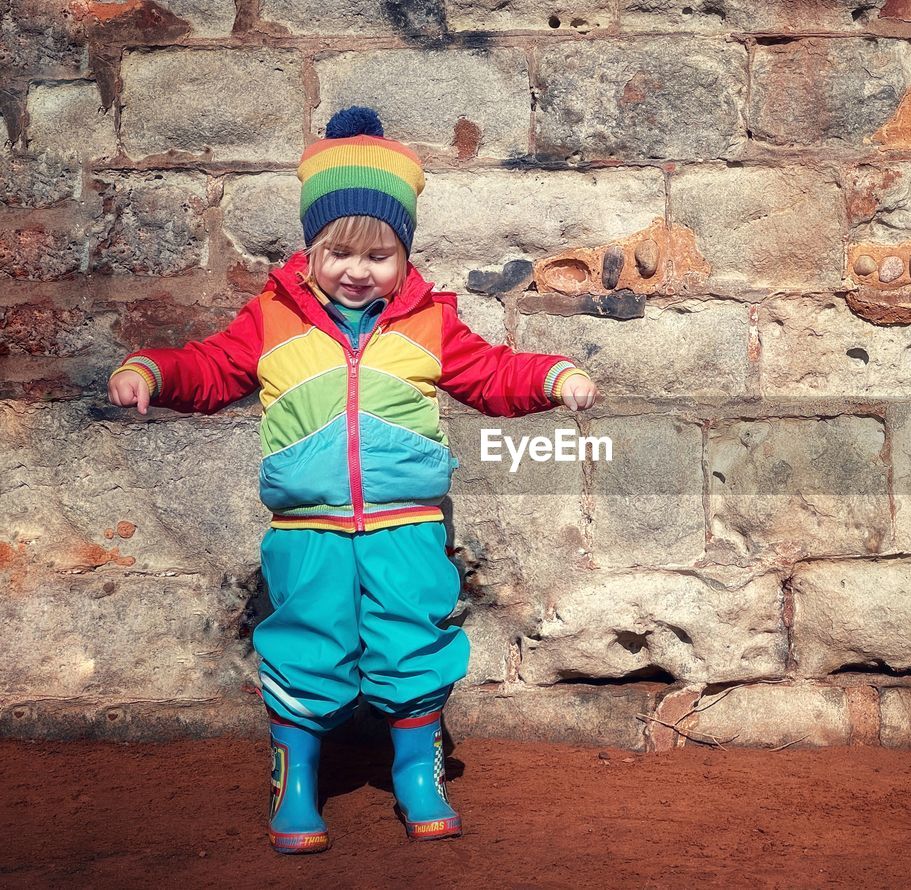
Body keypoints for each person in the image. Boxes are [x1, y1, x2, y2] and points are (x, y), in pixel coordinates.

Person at [106, 106, 598, 853]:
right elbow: (208, 368)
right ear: (311, 250)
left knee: (411, 642)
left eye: (379, 254)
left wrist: (554, 375)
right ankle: (296, 779)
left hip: (407, 529)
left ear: (404, 256)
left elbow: (492, 375)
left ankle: (416, 772)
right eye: (340, 252)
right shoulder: (272, 318)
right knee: (308, 642)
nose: (358, 270)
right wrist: (150, 368)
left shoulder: (430, 321)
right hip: (309, 532)